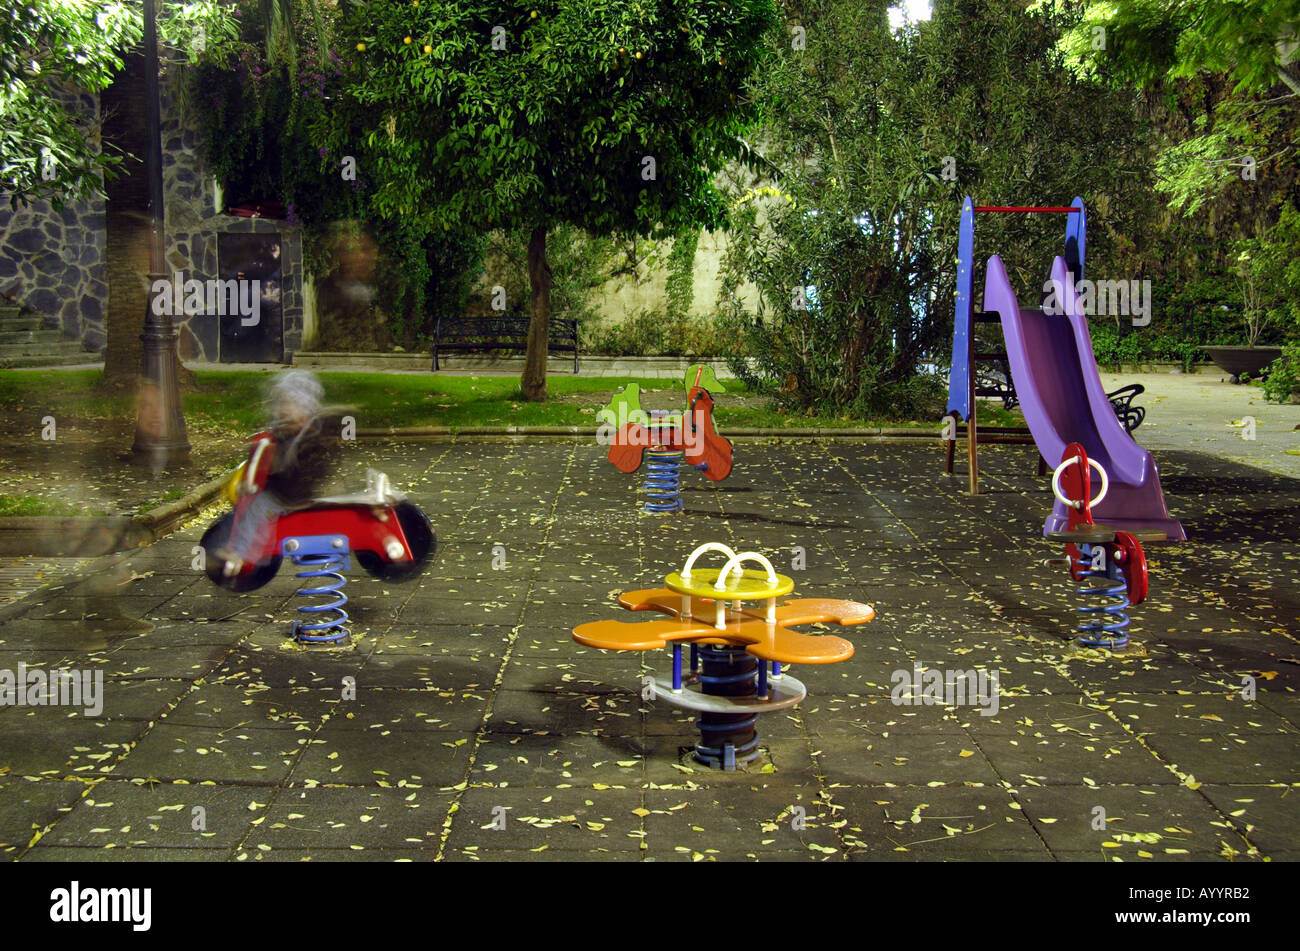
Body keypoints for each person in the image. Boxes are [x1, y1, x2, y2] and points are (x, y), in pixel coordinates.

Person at [220, 371, 341, 576]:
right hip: (289, 488)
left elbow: (297, 472)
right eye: (282, 405)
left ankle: (242, 555)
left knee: (257, 509)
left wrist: (271, 481)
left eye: (290, 406)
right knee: (256, 503)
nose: (283, 411)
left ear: (305, 412)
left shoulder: (310, 441)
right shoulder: (293, 434)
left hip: (293, 494)